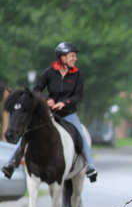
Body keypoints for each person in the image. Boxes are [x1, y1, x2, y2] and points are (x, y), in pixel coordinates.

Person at [2, 42, 97, 182]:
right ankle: (11, 163)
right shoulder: (49, 72)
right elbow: (36, 89)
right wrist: (47, 100)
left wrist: (64, 103)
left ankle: (89, 165)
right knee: (28, 133)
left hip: (68, 114)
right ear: (63, 57)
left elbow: (78, 95)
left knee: (80, 134)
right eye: (72, 56)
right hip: (50, 113)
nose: (75, 59)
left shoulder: (77, 75)